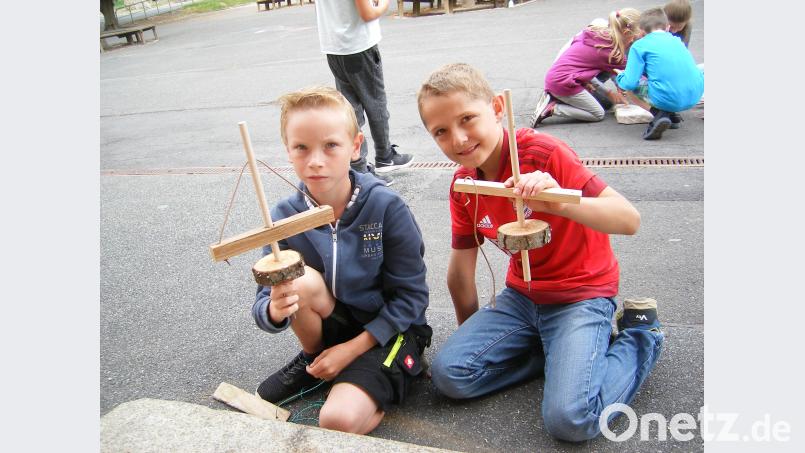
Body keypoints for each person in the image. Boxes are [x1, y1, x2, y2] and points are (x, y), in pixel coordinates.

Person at [418, 63, 664, 442]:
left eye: (467, 118)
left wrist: (562, 203)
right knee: (451, 375)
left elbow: (628, 219)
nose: (459, 138)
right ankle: (554, 352)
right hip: (521, 297)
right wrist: (472, 340)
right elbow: (460, 273)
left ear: (498, 107)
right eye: (441, 132)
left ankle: (640, 336)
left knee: (571, 420)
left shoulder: (544, 154)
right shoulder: (464, 184)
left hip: (581, 295)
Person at [252, 86, 431, 434]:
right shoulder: (284, 215)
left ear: (355, 146)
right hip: (335, 320)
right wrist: (274, 310)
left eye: (330, 145)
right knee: (297, 278)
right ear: (288, 151)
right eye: (301, 147)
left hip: (391, 329)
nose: (315, 160)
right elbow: (263, 301)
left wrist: (352, 351)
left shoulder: (385, 207)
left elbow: (412, 298)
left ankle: (374, 373)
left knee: (337, 420)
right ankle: (315, 357)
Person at [314, 0, 414, 187]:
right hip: (359, 45)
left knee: (351, 111)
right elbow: (367, 13)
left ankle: (358, 165)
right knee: (376, 103)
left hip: (333, 46)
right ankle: (384, 156)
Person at [530, 8, 642, 127]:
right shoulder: (610, 53)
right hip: (563, 83)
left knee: (606, 103)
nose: (632, 42)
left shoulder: (598, 35)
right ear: (626, 34)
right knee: (598, 114)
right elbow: (632, 70)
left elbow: (585, 68)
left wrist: (608, 92)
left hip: (559, 76)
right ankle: (553, 108)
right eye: (633, 39)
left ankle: (556, 97)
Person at [615, 7, 704, 140]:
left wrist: (620, 76)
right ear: (667, 27)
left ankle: (659, 114)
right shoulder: (677, 41)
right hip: (694, 95)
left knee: (631, 88)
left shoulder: (639, 46)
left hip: (668, 97)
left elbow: (629, 82)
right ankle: (672, 115)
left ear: (641, 30)